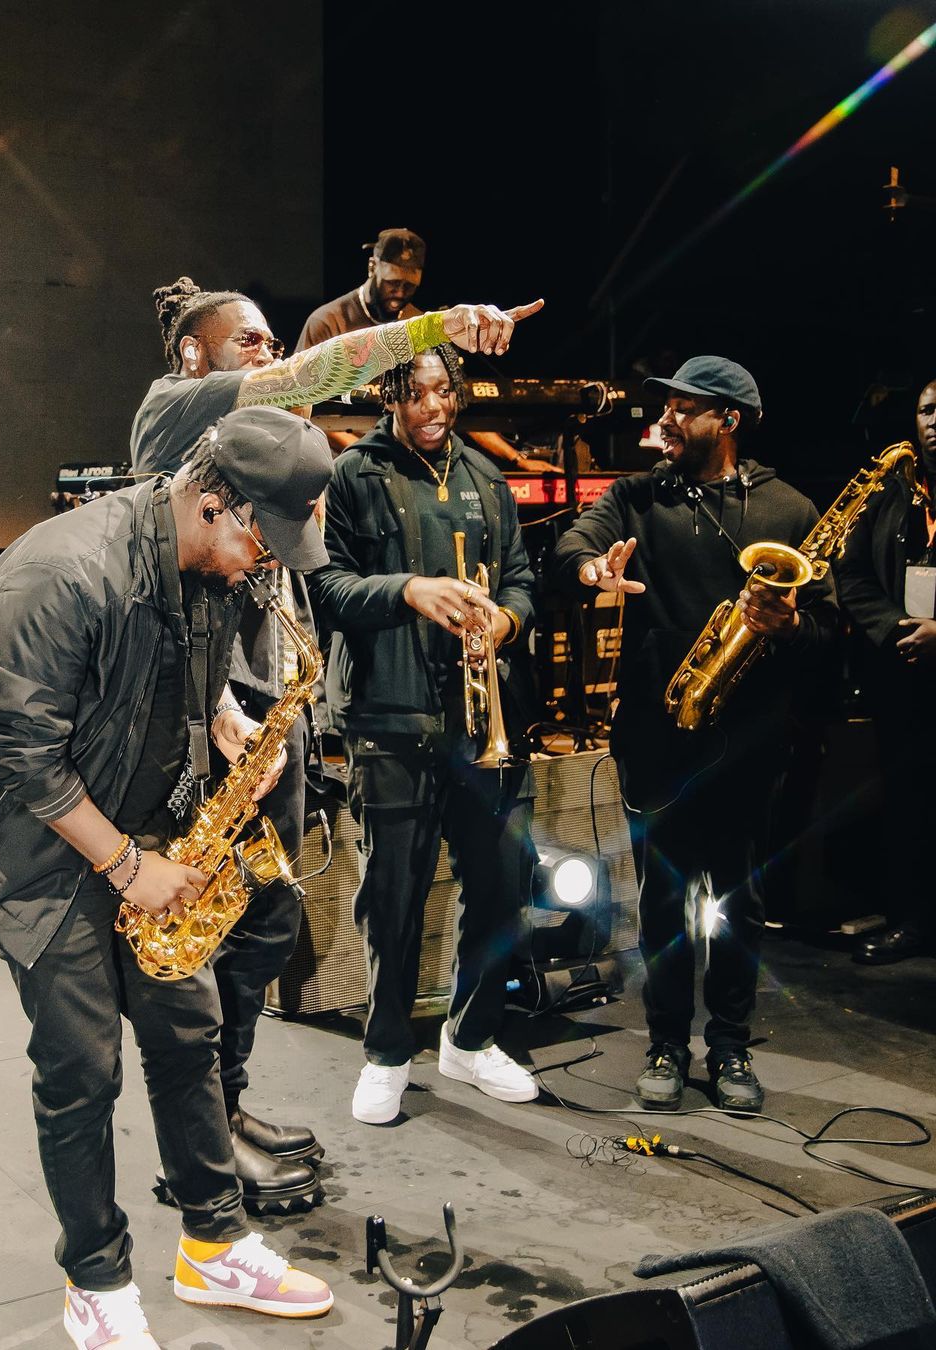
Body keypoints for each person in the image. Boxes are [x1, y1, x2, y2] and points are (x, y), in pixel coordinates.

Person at [0, 408, 339, 1346]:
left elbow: (182, 671)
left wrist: (229, 722)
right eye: (263, 541)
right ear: (215, 502)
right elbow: (16, 753)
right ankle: (97, 1283)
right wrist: (124, 864)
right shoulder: (58, 572)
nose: (266, 565)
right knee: (83, 1066)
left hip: (139, 817)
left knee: (190, 1035)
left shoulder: (213, 566)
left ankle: (213, 1243)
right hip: (28, 842)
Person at [131, 279, 542, 1198]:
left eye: (273, 341)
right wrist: (437, 325)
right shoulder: (176, 409)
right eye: (250, 341)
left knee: (264, 928)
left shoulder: (268, 446)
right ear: (194, 354)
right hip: (207, 725)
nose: (271, 355)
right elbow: (320, 372)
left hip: (268, 720)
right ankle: (196, 1153)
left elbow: (298, 581)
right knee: (200, 947)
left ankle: (227, 1108)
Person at [552, 357, 837, 1113]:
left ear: (728, 420)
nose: (665, 422)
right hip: (659, 737)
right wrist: (592, 570)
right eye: (666, 408)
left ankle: (732, 1045)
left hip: (752, 741)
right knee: (663, 904)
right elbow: (575, 545)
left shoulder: (791, 509)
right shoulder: (636, 496)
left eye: (683, 409)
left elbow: (830, 631)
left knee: (739, 903)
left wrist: (791, 625)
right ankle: (667, 1043)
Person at [309, 342, 541, 1125]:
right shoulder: (352, 475)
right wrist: (408, 589)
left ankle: (469, 1040)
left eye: (445, 391)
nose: (434, 407)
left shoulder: (487, 478)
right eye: (417, 394)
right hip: (389, 717)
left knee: (504, 888)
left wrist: (504, 621)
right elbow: (326, 585)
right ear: (389, 396)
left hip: (481, 724)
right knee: (393, 898)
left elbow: (521, 580)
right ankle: (386, 1053)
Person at [836, 377, 936, 964]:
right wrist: (899, 628)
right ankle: (913, 920)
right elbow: (850, 576)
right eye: (927, 410)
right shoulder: (888, 494)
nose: (935, 421)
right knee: (909, 801)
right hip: (903, 673)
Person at [294, 227, 426, 351]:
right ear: (372, 267)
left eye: (409, 285)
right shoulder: (327, 323)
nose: (400, 293)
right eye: (392, 282)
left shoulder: (418, 324)